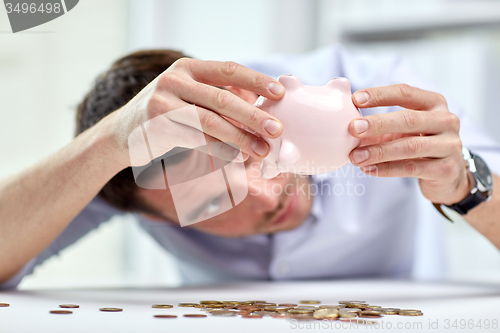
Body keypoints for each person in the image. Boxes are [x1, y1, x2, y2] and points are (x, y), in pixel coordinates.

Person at [1, 46, 499, 288]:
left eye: (247, 151)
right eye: (209, 198)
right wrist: (108, 141)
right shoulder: (124, 178)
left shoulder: (378, 96)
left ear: (247, 102)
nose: (265, 195)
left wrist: (465, 184)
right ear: (153, 217)